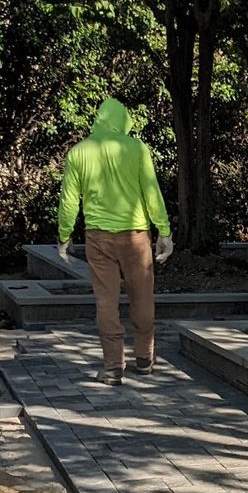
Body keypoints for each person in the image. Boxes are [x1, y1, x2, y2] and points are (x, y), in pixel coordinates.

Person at [57, 98, 173, 384]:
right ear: (123, 120)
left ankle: (112, 367)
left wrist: (64, 235)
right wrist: (164, 230)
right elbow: (151, 190)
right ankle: (144, 359)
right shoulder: (136, 149)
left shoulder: (78, 152)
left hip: (98, 238)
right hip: (136, 237)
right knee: (143, 296)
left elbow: (69, 200)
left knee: (106, 301)